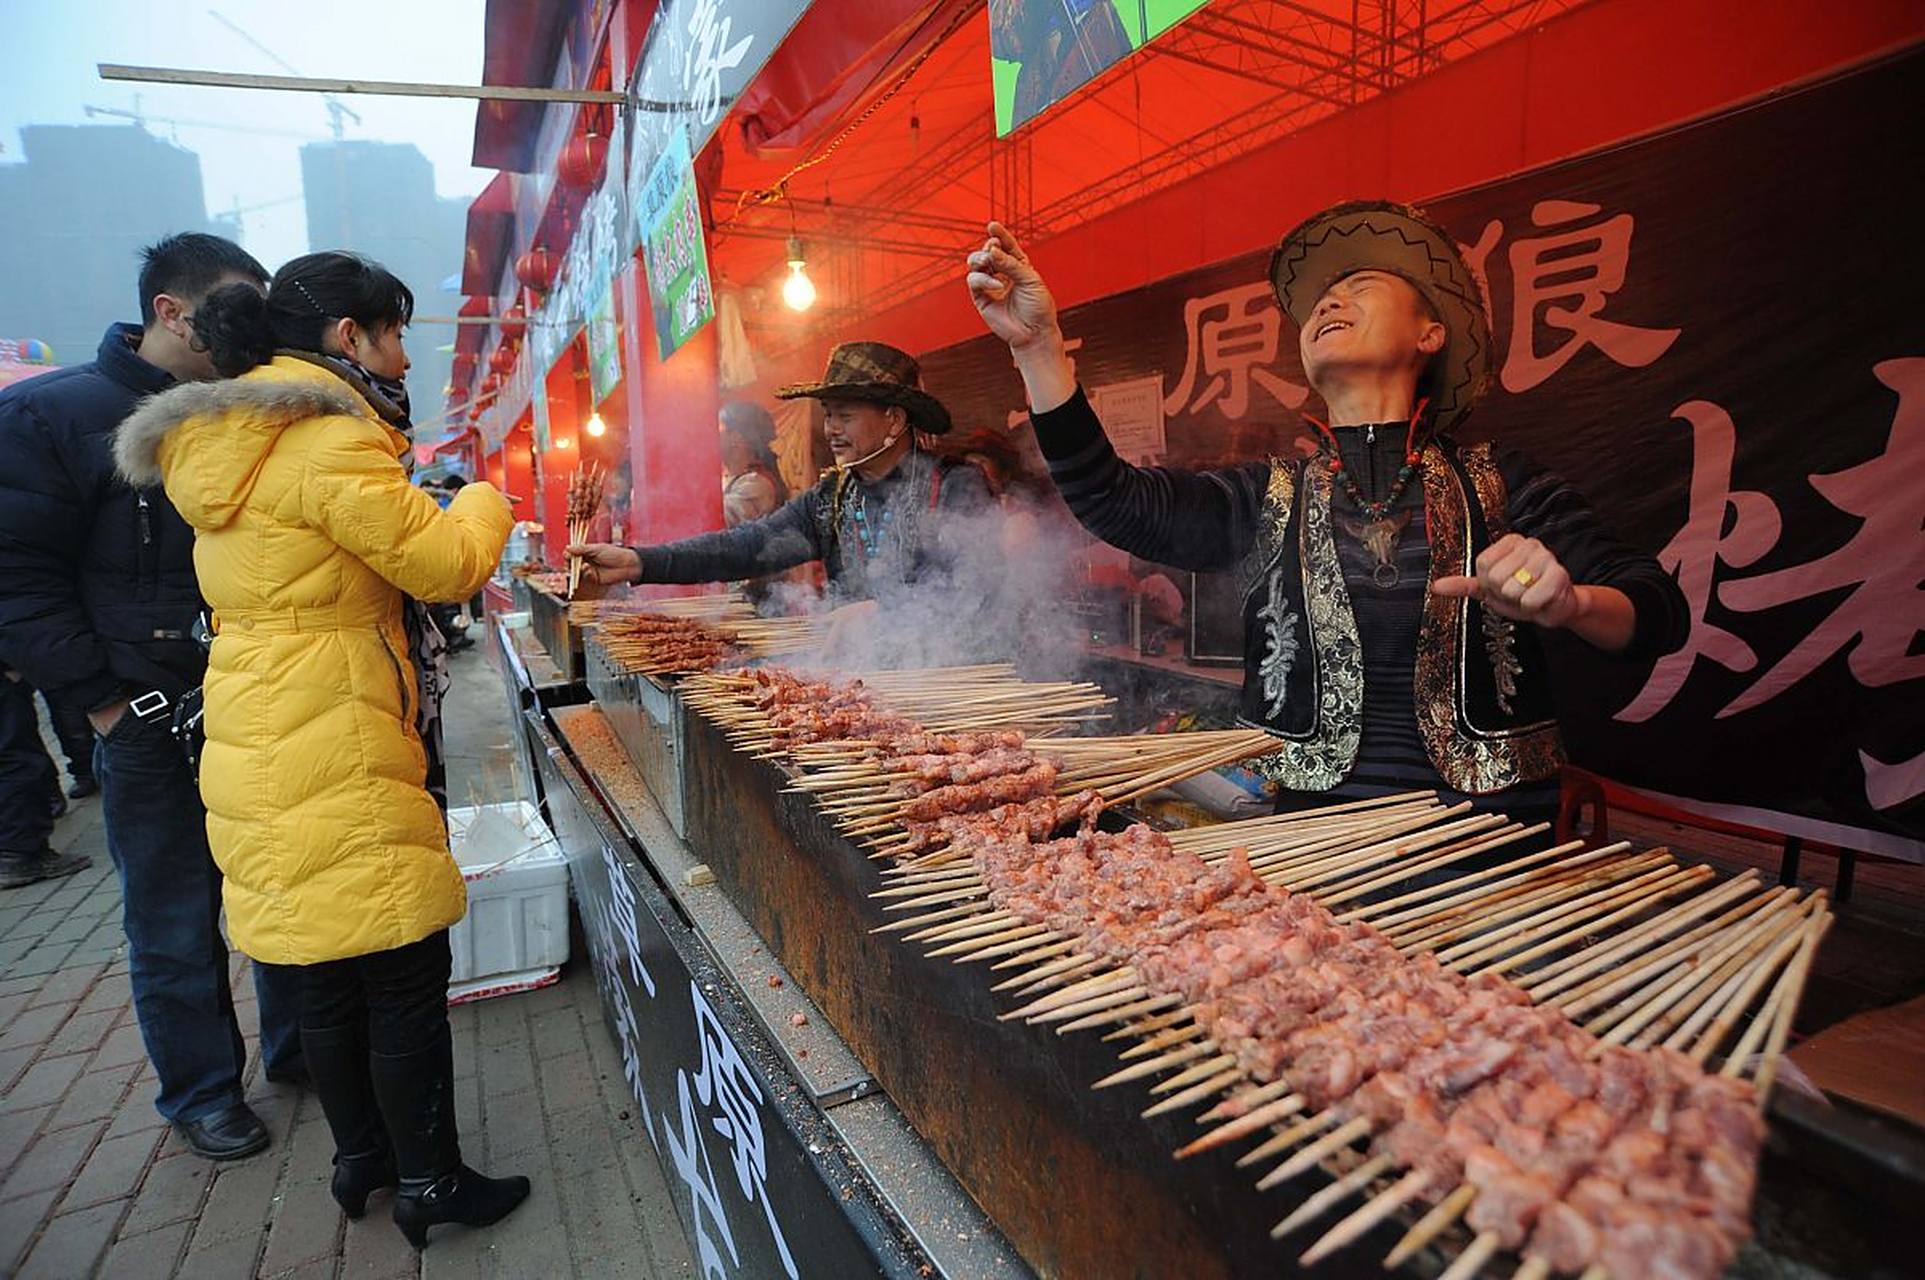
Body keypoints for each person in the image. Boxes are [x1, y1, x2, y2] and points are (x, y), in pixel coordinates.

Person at [965, 205, 1689, 818]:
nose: (1328, 303)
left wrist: (1570, 603)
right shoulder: (1266, 493)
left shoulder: (1502, 481)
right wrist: (1037, 349)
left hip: (1488, 840)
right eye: (1319, 301)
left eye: (1361, 285)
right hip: (1314, 838)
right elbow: (1114, 502)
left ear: (1429, 334)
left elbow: (1656, 611)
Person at [114, 250, 525, 1246]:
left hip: (257, 719)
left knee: (325, 966)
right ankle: (430, 1179)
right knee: (399, 961)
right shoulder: (319, 439)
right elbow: (447, 563)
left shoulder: (216, 437)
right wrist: (480, 496)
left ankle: (360, 1162)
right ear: (351, 337)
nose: (403, 358)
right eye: (395, 333)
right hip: (333, 720)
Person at [0, 232, 306, 1161]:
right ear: (170, 311)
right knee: (173, 917)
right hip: (141, 715)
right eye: (232, 306)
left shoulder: (250, 412)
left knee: (284, 887)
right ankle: (202, 1091)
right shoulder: (57, 416)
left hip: (258, 700)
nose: (248, 327)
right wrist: (101, 702)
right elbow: (16, 574)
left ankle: (300, 1052)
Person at [573, 342, 996, 627]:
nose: (830, 429)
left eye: (844, 415)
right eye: (827, 414)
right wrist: (638, 562)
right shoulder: (832, 498)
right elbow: (744, 546)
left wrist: (883, 613)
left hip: (945, 681)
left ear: (895, 419)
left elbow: (977, 592)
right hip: (861, 682)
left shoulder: (956, 485)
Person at [719, 400, 789, 526]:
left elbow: (716, 519)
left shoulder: (757, 485)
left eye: (718, 428)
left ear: (736, 438)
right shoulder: (728, 478)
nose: (710, 434)